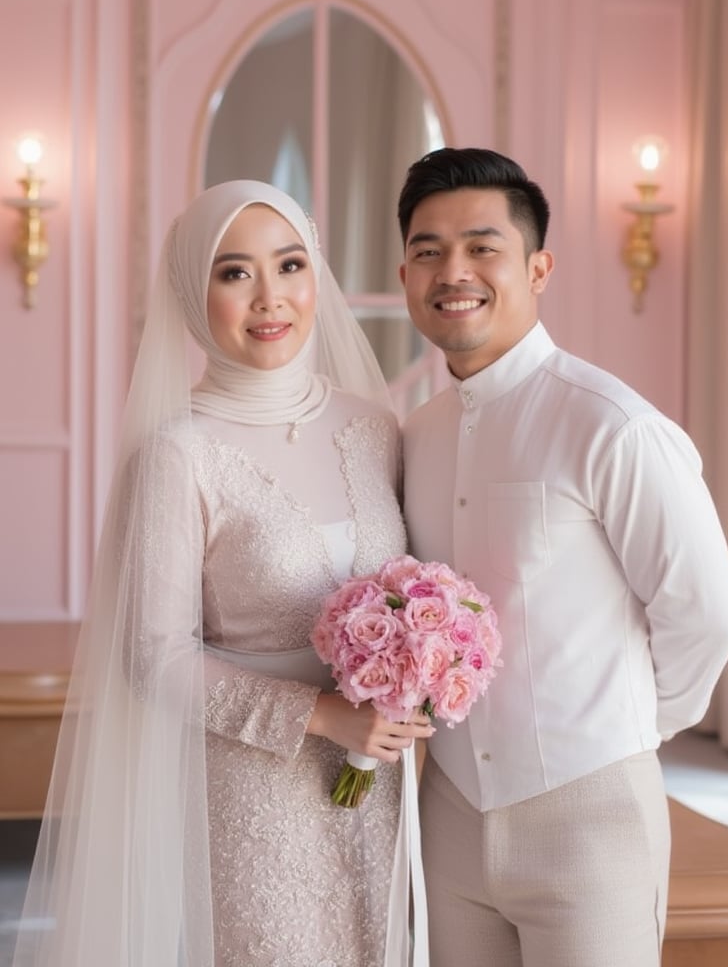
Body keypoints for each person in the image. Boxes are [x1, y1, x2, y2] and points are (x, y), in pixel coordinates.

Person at [13, 180, 433, 967]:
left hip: (379, 781)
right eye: (234, 273)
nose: (270, 298)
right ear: (190, 292)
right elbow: (153, 655)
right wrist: (322, 716)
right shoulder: (178, 454)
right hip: (251, 790)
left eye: (290, 265)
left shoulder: (374, 426)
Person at [396, 147, 728, 967]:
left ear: (538, 266)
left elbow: (707, 615)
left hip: (589, 816)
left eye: (484, 247)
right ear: (406, 271)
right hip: (447, 809)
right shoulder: (414, 437)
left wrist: (618, 733)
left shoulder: (613, 426)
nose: (455, 271)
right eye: (427, 250)